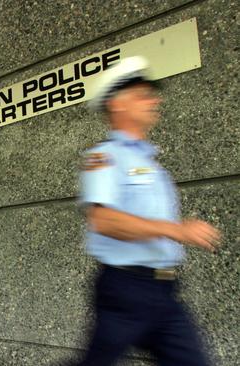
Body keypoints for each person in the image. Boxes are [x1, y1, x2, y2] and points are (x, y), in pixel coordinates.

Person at [77, 56, 220, 365]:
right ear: (117, 104)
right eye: (142, 95)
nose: (154, 100)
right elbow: (103, 220)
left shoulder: (151, 165)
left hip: (165, 291)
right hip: (126, 291)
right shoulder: (104, 157)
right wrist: (176, 230)